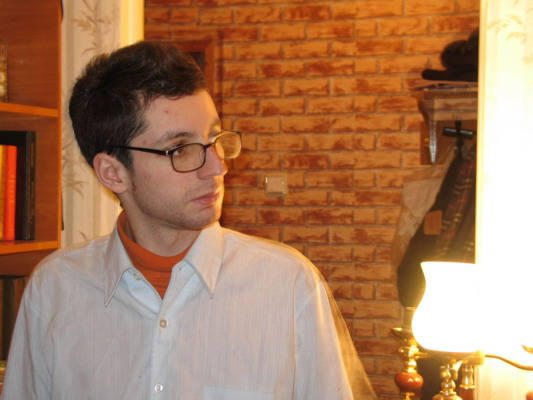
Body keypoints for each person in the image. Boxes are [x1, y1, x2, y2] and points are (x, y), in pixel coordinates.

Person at [1, 41, 376, 400]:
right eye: (180, 149)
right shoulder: (55, 290)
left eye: (214, 138)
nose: (218, 167)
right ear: (113, 173)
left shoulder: (287, 283)